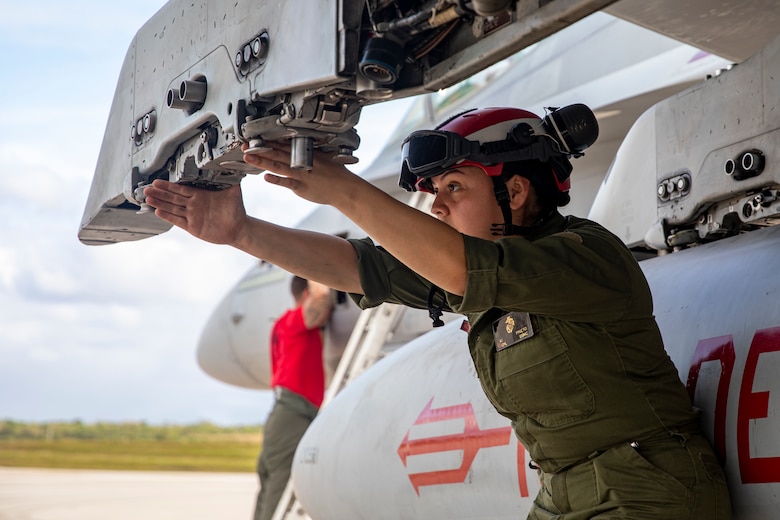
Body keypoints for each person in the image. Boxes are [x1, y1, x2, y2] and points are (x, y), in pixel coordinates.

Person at [144, 105, 732, 519]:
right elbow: (359, 267)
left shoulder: (581, 256)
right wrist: (239, 230)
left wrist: (344, 190)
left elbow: (457, 269)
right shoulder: (478, 273)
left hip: (647, 492)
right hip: (566, 489)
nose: (438, 208)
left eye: (454, 188)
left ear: (517, 192)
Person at [254, 276, 333, 520]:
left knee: (271, 489)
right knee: (279, 493)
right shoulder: (294, 320)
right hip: (293, 412)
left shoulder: (282, 324)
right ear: (305, 293)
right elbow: (321, 297)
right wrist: (315, 269)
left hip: (285, 412)